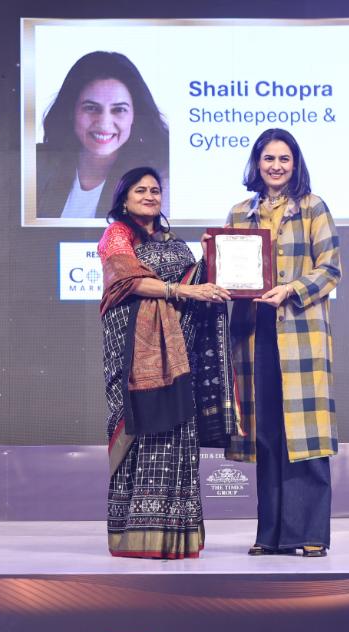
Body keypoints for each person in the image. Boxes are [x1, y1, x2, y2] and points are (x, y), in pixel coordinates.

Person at [219, 128, 341, 557]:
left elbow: (331, 269)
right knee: (267, 434)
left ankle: (309, 535)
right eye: (268, 158)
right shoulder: (240, 213)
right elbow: (227, 273)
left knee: (305, 435)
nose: (276, 166)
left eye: (284, 159)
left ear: (295, 163)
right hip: (254, 335)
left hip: (300, 336)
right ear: (257, 163)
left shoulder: (313, 207)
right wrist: (213, 258)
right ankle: (269, 535)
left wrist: (290, 289)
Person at [99, 166, 231, 559]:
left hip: (179, 351)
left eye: (155, 190)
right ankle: (134, 534)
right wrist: (181, 290)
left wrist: (210, 255)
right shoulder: (117, 235)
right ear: (124, 199)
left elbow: (197, 287)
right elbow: (128, 282)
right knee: (143, 427)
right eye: (140, 190)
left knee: (178, 430)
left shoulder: (174, 243)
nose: (149, 196)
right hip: (133, 351)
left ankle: (175, 534)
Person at [37, 52, 169, 219]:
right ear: (71, 111)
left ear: (135, 116)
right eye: (91, 108)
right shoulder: (35, 165)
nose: (104, 123)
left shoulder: (161, 180)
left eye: (119, 110)